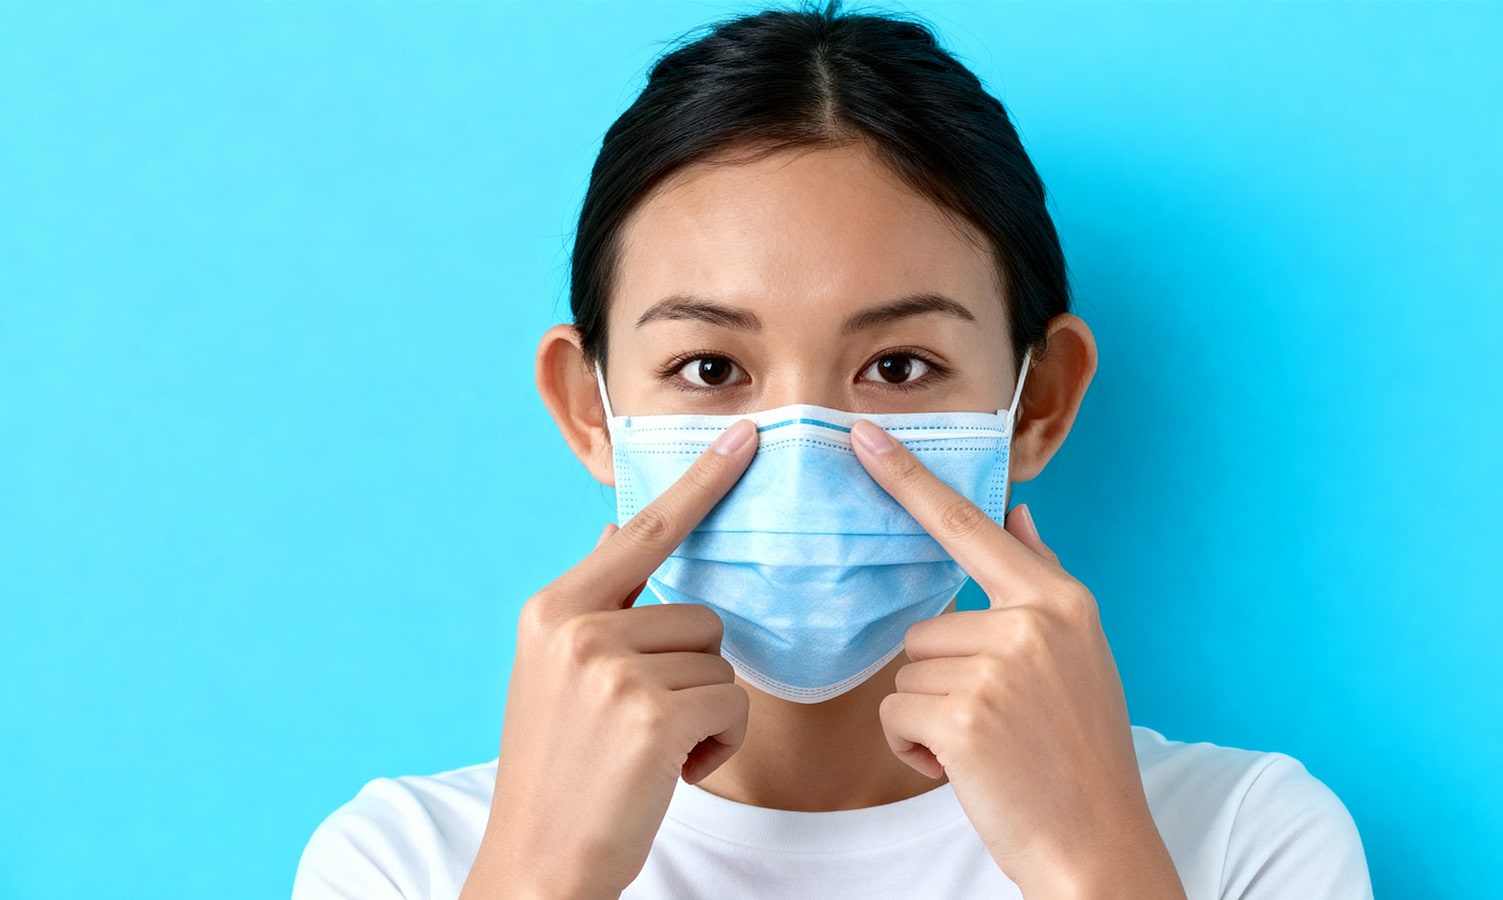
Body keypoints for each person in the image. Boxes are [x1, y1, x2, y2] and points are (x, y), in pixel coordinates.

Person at [292, 2, 1372, 897]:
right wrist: (542, 876)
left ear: (1035, 402)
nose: (802, 450)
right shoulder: (403, 862)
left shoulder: (1241, 836)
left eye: (898, 366)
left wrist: (1091, 866)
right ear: (590, 410)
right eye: (709, 368)